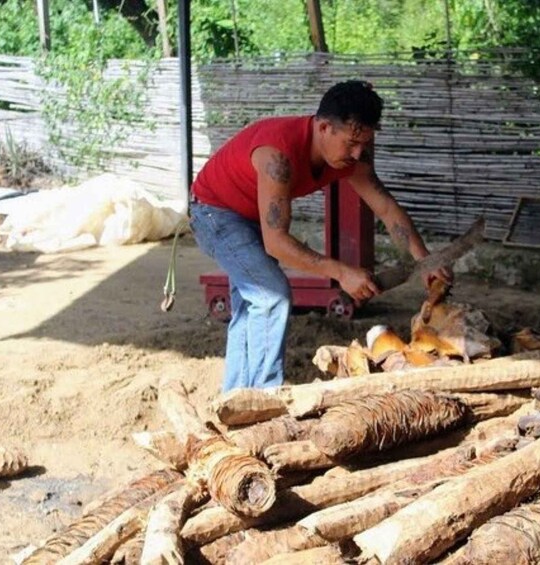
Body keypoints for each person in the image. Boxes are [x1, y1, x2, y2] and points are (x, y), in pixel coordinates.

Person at [190, 80, 450, 392]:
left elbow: (385, 207)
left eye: (364, 144)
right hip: (213, 212)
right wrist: (341, 272)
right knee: (271, 295)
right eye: (351, 143)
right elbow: (276, 242)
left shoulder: (352, 156)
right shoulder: (278, 156)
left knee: (253, 306)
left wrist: (425, 260)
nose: (357, 153)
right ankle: (263, 399)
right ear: (324, 127)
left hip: (249, 216)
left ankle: (234, 397)